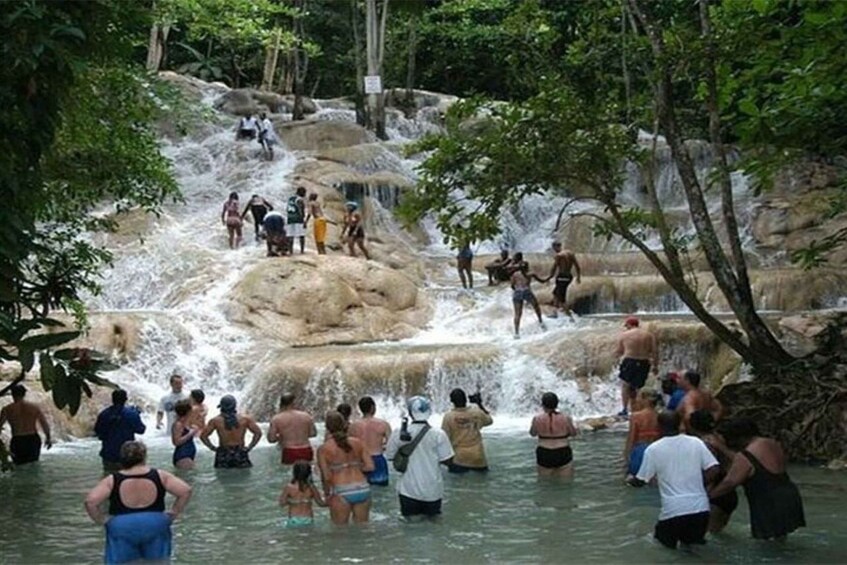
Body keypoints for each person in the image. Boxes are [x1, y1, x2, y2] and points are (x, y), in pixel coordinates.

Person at [84, 440, 192, 564]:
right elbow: (186, 491)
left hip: (122, 525)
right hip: (155, 523)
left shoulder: (112, 479)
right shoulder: (160, 475)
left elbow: (90, 502)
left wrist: (101, 520)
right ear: (144, 456)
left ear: (122, 457)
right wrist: (174, 513)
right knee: (158, 562)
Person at [628, 411, 719, 550]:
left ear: (659, 427)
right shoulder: (695, 442)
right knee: (693, 550)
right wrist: (697, 484)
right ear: (680, 424)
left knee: (661, 548)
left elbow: (641, 481)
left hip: (673, 510)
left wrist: (630, 480)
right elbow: (714, 469)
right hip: (701, 508)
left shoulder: (653, 449)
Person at [709, 418, 805, 540]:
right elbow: (754, 463)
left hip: (769, 502)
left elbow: (730, 483)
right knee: (779, 539)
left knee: (765, 542)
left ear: (738, 438)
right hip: (789, 495)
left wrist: (707, 496)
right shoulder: (772, 443)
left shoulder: (746, 455)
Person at [385, 396, 454, 519]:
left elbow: (390, 456)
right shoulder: (439, 434)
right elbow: (448, 460)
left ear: (410, 413)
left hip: (408, 490)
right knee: (433, 526)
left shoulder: (398, 433)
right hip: (432, 490)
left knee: (409, 527)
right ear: (429, 412)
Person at [317, 411, 375, 525]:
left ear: (327, 427)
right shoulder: (358, 442)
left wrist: (327, 494)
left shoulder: (324, 449)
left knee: (340, 532)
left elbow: (326, 476)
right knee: (363, 529)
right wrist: (354, 467)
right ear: (344, 424)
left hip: (341, 490)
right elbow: (370, 467)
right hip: (362, 487)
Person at [689, 410, 738, 534]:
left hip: (714, 492)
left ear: (692, 426)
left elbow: (712, 470)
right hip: (729, 492)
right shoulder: (720, 438)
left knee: (706, 536)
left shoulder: (704, 444)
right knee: (717, 534)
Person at [199, 395, 262, 468]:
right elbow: (258, 433)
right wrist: (250, 447)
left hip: (224, 452)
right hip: (240, 451)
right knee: (243, 476)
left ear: (221, 407)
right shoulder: (245, 419)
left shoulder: (215, 421)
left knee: (222, 477)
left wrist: (213, 448)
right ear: (235, 406)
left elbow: (203, 436)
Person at [441, 388, 493, 473]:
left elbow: (444, 438)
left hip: (459, 459)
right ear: (466, 399)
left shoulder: (448, 417)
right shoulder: (477, 412)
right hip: (478, 459)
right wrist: (480, 404)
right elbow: (490, 421)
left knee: (458, 486)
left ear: (452, 401)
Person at [615, 316, 658, 417]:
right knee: (640, 387)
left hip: (629, 361)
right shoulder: (649, 335)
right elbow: (655, 352)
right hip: (644, 361)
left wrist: (615, 359)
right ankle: (640, 409)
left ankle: (625, 409)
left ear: (629, 325)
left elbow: (619, 351)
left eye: (627, 326)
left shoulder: (624, 335)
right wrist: (655, 366)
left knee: (625, 385)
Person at [95, 390, 146, 471]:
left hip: (109, 454)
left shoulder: (104, 414)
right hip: (128, 454)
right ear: (125, 399)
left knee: (110, 479)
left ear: (112, 399)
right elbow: (141, 430)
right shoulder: (131, 414)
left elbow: (98, 432)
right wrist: (137, 415)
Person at [0, 384, 52, 465]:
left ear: (12, 394)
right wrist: (48, 438)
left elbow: (0, 426)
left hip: (18, 440)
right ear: (24, 394)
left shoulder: (7, 409)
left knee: (18, 467)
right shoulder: (34, 408)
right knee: (33, 466)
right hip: (33, 439)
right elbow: (44, 424)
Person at [529, 392, 578, 478]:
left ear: (543, 404)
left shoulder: (537, 419)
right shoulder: (566, 418)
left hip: (544, 452)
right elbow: (573, 434)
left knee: (544, 483)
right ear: (557, 403)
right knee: (566, 483)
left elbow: (533, 433)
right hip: (562, 451)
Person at [349, 396, 391, 487]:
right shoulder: (383, 424)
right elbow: (390, 445)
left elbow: (349, 446)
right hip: (378, 459)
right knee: (381, 493)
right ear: (373, 407)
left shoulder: (353, 426)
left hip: (361, 461)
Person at [267, 393, 317, 465]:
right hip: (306, 449)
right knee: (306, 472)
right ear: (293, 402)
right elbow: (313, 434)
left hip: (289, 450)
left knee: (289, 474)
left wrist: (281, 437)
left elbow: (271, 439)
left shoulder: (276, 419)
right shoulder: (306, 416)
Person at [623, 390, 661, 479]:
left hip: (640, 450)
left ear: (645, 400)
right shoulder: (660, 415)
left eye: (639, 397)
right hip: (656, 449)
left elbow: (632, 438)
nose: (637, 400)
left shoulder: (636, 416)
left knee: (634, 479)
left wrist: (626, 455)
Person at [509, 253, 547, 339]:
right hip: (527, 291)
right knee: (536, 307)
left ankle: (516, 333)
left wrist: (516, 289)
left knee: (517, 313)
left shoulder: (515, 274)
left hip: (517, 292)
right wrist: (548, 279)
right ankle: (541, 322)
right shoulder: (530, 274)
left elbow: (512, 285)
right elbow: (541, 281)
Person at [279, 460, 326, 528]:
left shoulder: (289, 487)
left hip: (293, 519)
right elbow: (321, 503)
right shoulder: (312, 487)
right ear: (309, 473)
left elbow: (282, 503)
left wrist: (291, 501)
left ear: (294, 472)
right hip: (308, 519)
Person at [547, 241, 581, 319]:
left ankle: (570, 317)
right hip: (569, 276)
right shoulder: (570, 253)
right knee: (555, 293)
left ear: (555, 247)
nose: (554, 250)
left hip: (561, 276)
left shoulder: (558, 256)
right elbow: (577, 266)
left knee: (561, 298)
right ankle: (555, 313)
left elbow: (554, 267)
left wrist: (549, 277)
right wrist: (578, 277)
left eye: (554, 248)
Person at [171, 400, 200, 470]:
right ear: (188, 411)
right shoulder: (178, 424)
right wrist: (191, 433)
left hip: (188, 454)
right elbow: (176, 442)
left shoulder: (185, 423)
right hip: (183, 455)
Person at [286, 187, 308, 254]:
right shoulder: (300, 200)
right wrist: (304, 220)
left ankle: (290, 251)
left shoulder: (290, 198)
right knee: (301, 235)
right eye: (304, 193)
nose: (305, 194)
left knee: (290, 235)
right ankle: (302, 251)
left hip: (290, 218)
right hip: (298, 218)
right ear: (301, 192)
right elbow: (301, 210)